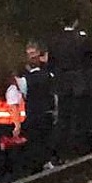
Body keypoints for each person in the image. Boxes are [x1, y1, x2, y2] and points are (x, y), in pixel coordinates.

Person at [48, 18, 92, 161]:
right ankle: (77, 149)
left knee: (63, 116)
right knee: (78, 116)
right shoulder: (82, 39)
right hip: (79, 81)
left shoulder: (55, 40)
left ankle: (61, 152)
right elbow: (91, 60)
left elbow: (51, 63)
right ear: (75, 22)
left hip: (62, 82)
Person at [20, 42, 57, 172]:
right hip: (35, 111)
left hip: (41, 110)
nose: (32, 57)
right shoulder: (23, 76)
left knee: (43, 137)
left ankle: (44, 161)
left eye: (34, 54)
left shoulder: (47, 73)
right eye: (30, 54)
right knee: (37, 139)